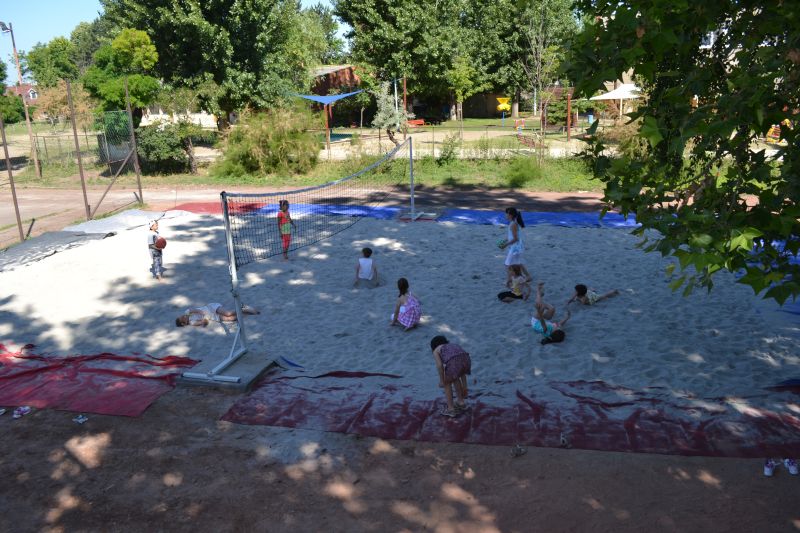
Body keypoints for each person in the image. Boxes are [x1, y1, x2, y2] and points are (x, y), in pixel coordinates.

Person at [430, 335, 471, 418]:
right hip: (467, 359)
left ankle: (451, 409)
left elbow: (440, 366)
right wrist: (465, 387)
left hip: (454, 362)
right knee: (455, 377)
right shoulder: (453, 345)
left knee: (447, 383)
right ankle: (461, 402)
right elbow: (462, 373)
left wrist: (442, 380)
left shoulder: (436, 350)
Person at [498, 207, 525, 286]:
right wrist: (504, 241)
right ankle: (521, 279)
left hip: (515, 248)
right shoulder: (513, 223)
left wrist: (505, 245)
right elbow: (511, 236)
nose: (505, 215)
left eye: (506, 213)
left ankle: (509, 280)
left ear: (510, 215)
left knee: (507, 264)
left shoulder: (513, 224)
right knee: (516, 264)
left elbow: (515, 239)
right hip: (517, 247)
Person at [175, 303, 260, 327]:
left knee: (228, 313)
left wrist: (204, 316)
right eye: (182, 318)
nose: (183, 316)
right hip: (213, 316)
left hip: (211, 308)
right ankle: (245, 311)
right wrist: (204, 322)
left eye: (181, 316)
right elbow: (202, 323)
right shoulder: (192, 322)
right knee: (231, 319)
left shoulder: (187, 312)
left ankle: (243, 308)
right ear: (184, 323)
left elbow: (198, 311)